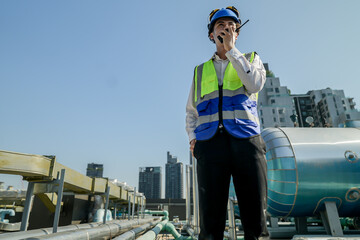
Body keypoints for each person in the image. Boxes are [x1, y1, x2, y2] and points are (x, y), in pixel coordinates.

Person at [185, 6, 269, 240]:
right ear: (212, 34)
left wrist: (232, 51)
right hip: (210, 145)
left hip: (247, 142)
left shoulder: (252, 60)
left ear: (238, 32)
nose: (226, 28)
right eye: (220, 25)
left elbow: (254, 85)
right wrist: (193, 138)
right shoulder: (200, 71)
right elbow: (191, 111)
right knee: (211, 223)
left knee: (255, 218)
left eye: (231, 25)